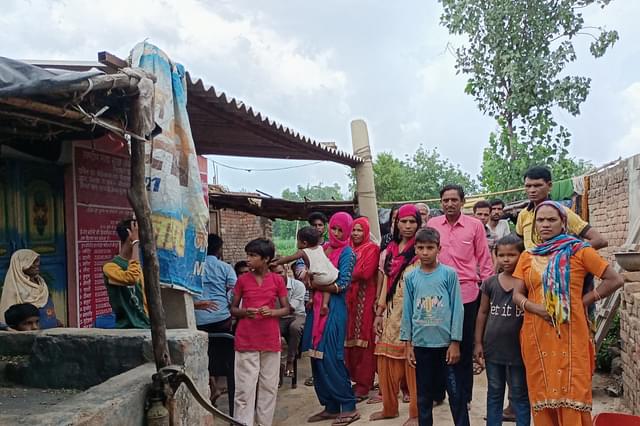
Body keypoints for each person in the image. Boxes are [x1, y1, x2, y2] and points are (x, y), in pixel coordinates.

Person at [511, 201, 623, 426]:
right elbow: (517, 295)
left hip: (572, 332)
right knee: (542, 392)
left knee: (573, 392)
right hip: (536, 334)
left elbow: (615, 279)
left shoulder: (579, 251)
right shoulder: (527, 256)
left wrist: (582, 301)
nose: (545, 225)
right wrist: (536, 308)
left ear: (563, 223)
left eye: (551, 220)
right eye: (540, 220)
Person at [427, 184, 493, 414]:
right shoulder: (433, 225)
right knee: (437, 345)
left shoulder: (475, 226)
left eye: (454, 200)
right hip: (437, 295)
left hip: (467, 293)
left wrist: (489, 292)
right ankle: (437, 393)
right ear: (441, 202)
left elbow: (484, 259)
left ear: (463, 202)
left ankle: (463, 396)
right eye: (445, 200)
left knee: (463, 348)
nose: (449, 204)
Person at [401, 228, 465, 426]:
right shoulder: (411, 277)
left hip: (446, 345)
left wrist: (455, 342)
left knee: (456, 395)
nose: (425, 252)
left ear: (439, 248)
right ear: (415, 250)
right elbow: (407, 310)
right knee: (424, 397)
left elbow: (457, 308)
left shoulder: (449, 274)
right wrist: (408, 344)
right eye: (420, 248)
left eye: (430, 248)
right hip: (421, 345)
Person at [303, 212, 360, 426]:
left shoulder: (347, 253)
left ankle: (348, 405)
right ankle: (330, 406)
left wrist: (317, 285)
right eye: (333, 229)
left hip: (334, 309)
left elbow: (343, 283)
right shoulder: (323, 249)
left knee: (331, 357)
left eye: (340, 230)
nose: (336, 233)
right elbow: (306, 266)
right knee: (315, 357)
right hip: (315, 307)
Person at [230, 238, 290, 426]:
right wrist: (245, 312)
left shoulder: (277, 280)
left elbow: (287, 309)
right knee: (244, 389)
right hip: (246, 339)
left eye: (252, 256)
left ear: (265, 259)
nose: (248, 259)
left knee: (268, 388)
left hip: (270, 339)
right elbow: (232, 309)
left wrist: (272, 312)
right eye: (248, 255)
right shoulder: (242, 280)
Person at [371, 204, 421, 425]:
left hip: (413, 314)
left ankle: (416, 414)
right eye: (404, 221)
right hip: (390, 313)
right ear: (396, 223)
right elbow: (386, 285)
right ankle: (389, 408)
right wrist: (379, 312)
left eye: (412, 222)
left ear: (419, 224)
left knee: (413, 364)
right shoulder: (390, 250)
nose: (408, 226)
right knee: (385, 361)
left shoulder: (422, 249)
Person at [474, 235, 530, 426]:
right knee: (495, 391)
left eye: (512, 255)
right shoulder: (490, 283)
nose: (506, 259)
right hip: (493, 348)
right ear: (495, 256)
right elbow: (482, 312)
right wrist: (478, 343)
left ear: (521, 255)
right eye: (502, 255)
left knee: (519, 393)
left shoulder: (528, 284)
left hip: (519, 350)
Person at [516, 166, 607, 250]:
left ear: (550, 185)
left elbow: (600, 240)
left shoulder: (562, 212)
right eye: (528, 186)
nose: (532, 190)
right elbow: (520, 245)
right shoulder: (523, 214)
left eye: (537, 185)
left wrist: (569, 254)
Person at [194, 234, 237, 405]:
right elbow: (234, 291)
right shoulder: (225, 268)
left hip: (198, 318)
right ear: (219, 249)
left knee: (204, 353)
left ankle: (211, 386)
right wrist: (229, 305)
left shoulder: (193, 266)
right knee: (222, 353)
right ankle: (216, 384)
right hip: (221, 318)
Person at [345, 216, 380, 401]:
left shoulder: (372, 248)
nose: (356, 233)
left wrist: (345, 273)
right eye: (354, 230)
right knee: (347, 342)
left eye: (360, 230)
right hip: (347, 300)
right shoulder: (347, 248)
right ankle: (353, 381)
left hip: (365, 301)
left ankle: (364, 385)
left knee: (364, 341)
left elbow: (365, 272)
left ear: (366, 232)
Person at [272, 227, 338, 316]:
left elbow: (289, 258)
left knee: (309, 280)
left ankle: (311, 299)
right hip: (331, 274)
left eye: (298, 240)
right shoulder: (320, 247)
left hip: (319, 277)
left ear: (304, 243)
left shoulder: (303, 252)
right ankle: (325, 304)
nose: (297, 242)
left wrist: (276, 262)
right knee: (325, 281)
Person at [102, 219, 150, 329]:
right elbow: (131, 278)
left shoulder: (137, 265)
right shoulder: (110, 267)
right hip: (128, 328)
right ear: (130, 237)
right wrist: (135, 243)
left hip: (145, 325)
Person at [0, 249, 61, 329]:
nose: (37, 264)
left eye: (37, 261)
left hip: (52, 332)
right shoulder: (14, 289)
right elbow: (10, 320)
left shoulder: (41, 283)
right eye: (33, 262)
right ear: (20, 264)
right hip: (32, 337)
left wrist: (54, 321)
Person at [271, 263, 306, 377]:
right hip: (279, 317)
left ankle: (290, 361)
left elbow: (290, 309)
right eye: (275, 274)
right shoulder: (270, 286)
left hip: (297, 316)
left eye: (280, 272)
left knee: (295, 328)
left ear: (286, 270)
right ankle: (277, 366)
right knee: (270, 331)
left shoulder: (298, 285)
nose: (279, 276)